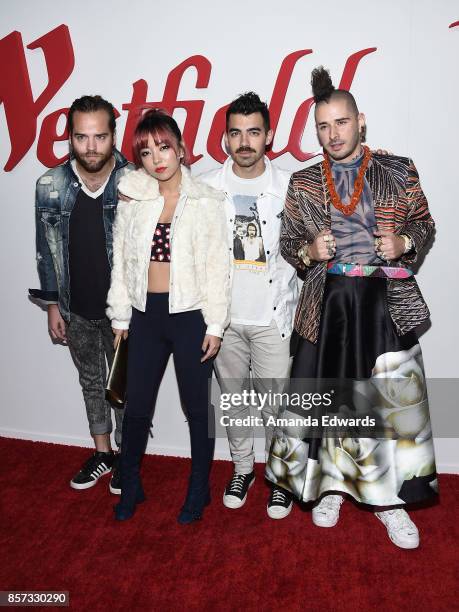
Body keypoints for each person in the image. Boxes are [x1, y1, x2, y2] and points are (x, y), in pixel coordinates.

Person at [266, 67, 437, 548]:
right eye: (323, 126)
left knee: (387, 405)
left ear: (360, 121)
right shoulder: (302, 183)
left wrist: (403, 240)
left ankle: (391, 502)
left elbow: (424, 226)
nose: (333, 133)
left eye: (341, 122)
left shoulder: (398, 169)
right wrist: (308, 253)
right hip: (329, 306)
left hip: (385, 304)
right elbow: (288, 242)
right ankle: (332, 489)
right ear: (315, 130)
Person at [106, 109, 230, 523]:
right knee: (137, 406)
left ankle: (200, 488)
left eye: (163, 146)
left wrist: (215, 324)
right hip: (144, 316)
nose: (156, 158)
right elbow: (122, 262)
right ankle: (131, 481)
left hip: (190, 316)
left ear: (180, 147)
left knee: (197, 408)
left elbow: (218, 266)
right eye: (145, 152)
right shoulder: (135, 198)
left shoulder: (207, 200)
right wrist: (120, 317)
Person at [200, 93, 298, 519]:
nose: (244, 142)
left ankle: (278, 476)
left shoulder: (292, 187)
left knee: (277, 404)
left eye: (253, 132)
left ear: (269, 136)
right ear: (225, 138)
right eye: (236, 133)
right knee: (234, 401)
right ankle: (243, 468)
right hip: (224, 321)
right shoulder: (205, 187)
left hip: (274, 317)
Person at [30, 95, 133, 494]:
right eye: (81, 137)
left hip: (124, 311)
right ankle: (103, 453)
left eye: (100, 136)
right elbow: (45, 249)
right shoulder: (50, 184)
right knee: (91, 382)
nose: (91, 147)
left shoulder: (135, 180)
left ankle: (128, 457)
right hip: (75, 308)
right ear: (70, 136)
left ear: (113, 135)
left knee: (123, 386)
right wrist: (53, 306)